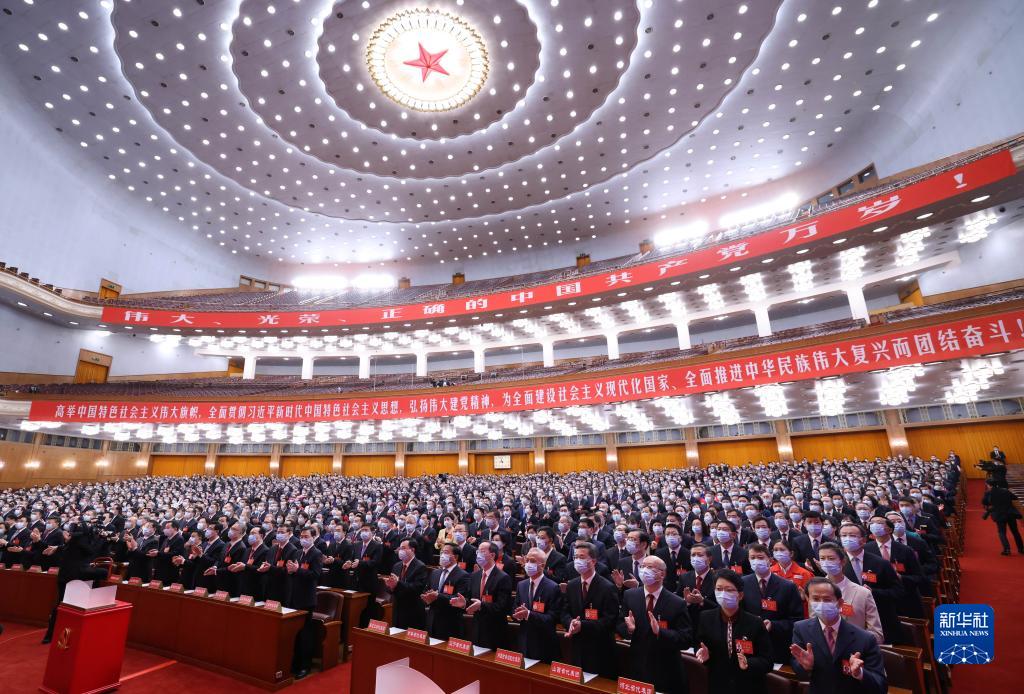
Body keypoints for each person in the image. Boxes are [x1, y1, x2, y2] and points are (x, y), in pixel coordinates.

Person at [790, 578, 887, 694]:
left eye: (827, 600)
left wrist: (860, 673)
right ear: (808, 599)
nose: (821, 604)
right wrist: (806, 667)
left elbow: (880, 685)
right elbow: (798, 669)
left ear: (840, 603)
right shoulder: (801, 629)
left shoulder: (865, 638)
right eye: (815, 599)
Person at [617, 555, 692, 694]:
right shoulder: (630, 595)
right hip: (637, 666)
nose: (644, 570)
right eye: (642, 566)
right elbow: (620, 623)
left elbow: (685, 639)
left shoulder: (677, 603)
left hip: (665, 670)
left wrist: (660, 632)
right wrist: (630, 629)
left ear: (662, 574)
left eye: (650, 567)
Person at [694, 569, 773, 694]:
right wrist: (704, 654)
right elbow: (699, 645)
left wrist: (749, 663)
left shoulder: (755, 623)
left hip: (749, 686)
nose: (723, 594)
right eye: (719, 589)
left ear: (740, 595)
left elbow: (767, 661)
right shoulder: (706, 618)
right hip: (718, 685)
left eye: (729, 590)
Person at [42, 518, 110, 644]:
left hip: (64, 576)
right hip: (74, 576)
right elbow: (91, 551)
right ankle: (64, 635)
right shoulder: (80, 538)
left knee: (60, 605)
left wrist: (57, 548)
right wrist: (102, 538)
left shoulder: (75, 539)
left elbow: (72, 548)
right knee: (103, 573)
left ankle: (50, 635)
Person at [561, 541, 619, 679]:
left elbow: (610, 620)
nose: (577, 561)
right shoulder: (572, 585)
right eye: (575, 557)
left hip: (599, 649)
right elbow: (564, 612)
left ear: (593, 561)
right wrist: (570, 623)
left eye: (581, 557)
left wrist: (583, 625)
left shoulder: (607, 587)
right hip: (577, 647)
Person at [740, 544, 804, 664]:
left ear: (770, 560)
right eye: (752, 558)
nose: (756, 561)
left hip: (778, 647)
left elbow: (797, 620)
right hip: (751, 646)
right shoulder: (742, 583)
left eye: (760, 557)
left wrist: (773, 625)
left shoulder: (788, 586)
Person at [816, 543, 884, 644]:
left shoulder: (863, 593)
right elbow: (812, 626)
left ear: (843, 561)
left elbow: (877, 635)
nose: (826, 562)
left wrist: (851, 640)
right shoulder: (814, 591)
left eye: (831, 558)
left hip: (856, 648)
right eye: (822, 558)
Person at [458, 540, 513, 649]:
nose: (478, 554)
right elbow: (472, 600)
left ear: (492, 555)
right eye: (478, 551)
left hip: (494, 631)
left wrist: (481, 605)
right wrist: (464, 603)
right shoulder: (475, 576)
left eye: (482, 551)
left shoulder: (503, 578)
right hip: (477, 629)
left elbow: (503, 607)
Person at [513, 548, 562, 663]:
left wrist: (529, 614)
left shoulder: (553, 587)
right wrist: (517, 614)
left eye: (533, 561)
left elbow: (552, 618)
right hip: (524, 642)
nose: (528, 564)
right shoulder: (521, 585)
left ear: (542, 565)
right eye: (527, 560)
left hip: (543, 644)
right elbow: (514, 608)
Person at [288, 527, 323, 680]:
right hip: (294, 597)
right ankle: (295, 663)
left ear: (313, 537)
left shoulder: (317, 553)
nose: (303, 539)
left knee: (305, 634)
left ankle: (305, 666)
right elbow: (294, 573)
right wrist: (291, 571)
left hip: (307, 599)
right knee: (295, 633)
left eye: (306, 536)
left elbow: (315, 575)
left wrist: (297, 570)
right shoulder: (297, 552)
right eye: (301, 536)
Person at [422, 542, 470, 641]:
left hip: (450, 624)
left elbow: (459, 598)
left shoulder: (463, 575)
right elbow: (426, 590)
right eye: (441, 552)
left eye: (446, 552)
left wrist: (437, 596)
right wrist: (426, 597)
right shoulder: (435, 572)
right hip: (432, 621)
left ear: (455, 557)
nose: (442, 555)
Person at [384, 538, 428, 629]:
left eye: (403, 548)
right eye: (400, 548)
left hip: (412, 610)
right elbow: (391, 587)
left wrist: (397, 584)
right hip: (397, 608)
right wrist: (390, 587)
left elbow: (417, 588)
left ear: (412, 550)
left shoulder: (420, 566)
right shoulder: (396, 566)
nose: (400, 551)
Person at [982, 479, 1024, 555]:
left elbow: (984, 502)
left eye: (987, 485)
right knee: (1015, 532)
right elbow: (1014, 497)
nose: (987, 486)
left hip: (999, 514)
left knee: (1002, 532)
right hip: (1010, 513)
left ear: (990, 485)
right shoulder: (1005, 490)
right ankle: (1021, 549)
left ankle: (1007, 550)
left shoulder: (988, 493)